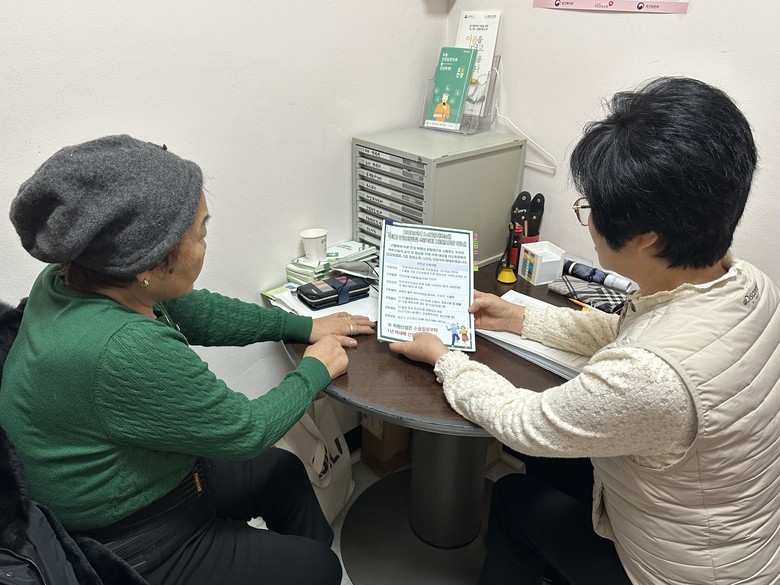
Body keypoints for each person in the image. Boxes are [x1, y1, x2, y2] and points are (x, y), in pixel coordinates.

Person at [389, 76, 780, 584]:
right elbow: (631, 330)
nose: (589, 221)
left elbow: (523, 423)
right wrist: (520, 317)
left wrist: (444, 359)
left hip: (671, 574)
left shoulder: (649, 378)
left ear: (646, 238)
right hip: (734, 540)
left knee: (511, 497)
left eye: (591, 209)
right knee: (560, 466)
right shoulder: (749, 284)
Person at [0, 135, 376, 585]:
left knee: (283, 472)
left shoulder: (80, 277)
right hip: (131, 538)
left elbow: (198, 311)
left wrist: (302, 326)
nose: (204, 241)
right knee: (321, 568)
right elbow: (246, 430)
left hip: (151, 477)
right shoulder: (124, 347)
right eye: (200, 232)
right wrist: (316, 368)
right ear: (147, 266)